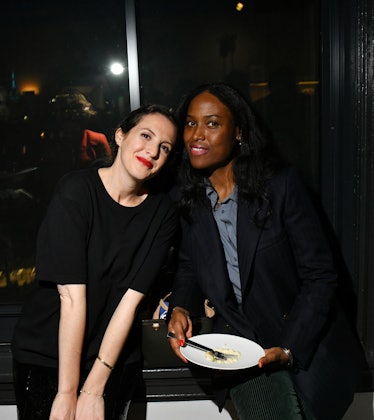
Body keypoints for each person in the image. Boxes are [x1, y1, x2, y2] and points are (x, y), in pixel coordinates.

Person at [167, 83, 364, 420]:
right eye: (190, 123)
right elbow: (188, 264)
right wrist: (180, 306)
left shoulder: (281, 186)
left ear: (239, 132)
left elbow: (320, 277)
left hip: (305, 342)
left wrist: (289, 348)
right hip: (242, 348)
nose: (196, 135)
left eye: (212, 123)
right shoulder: (190, 200)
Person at [12, 104, 180, 420]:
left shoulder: (163, 213)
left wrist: (93, 389)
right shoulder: (76, 190)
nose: (152, 151)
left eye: (165, 147)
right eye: (145, 135)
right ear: (120, 135)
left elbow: (129, 304)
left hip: (111, 358)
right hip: (48, 353)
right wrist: (67, 393)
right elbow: (72, 299)